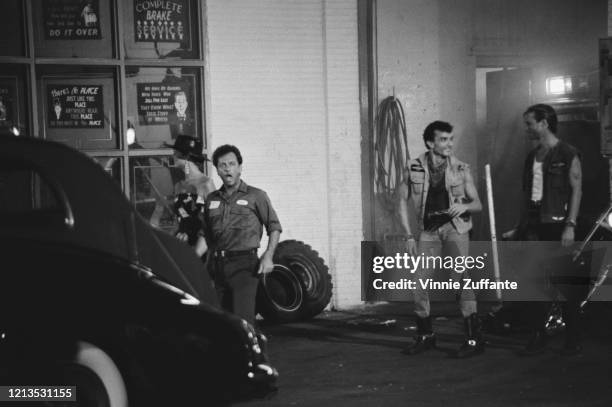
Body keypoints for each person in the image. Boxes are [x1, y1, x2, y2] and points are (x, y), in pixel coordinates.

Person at [398, 120, 484, 358]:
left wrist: (463, 204)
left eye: (451, 139)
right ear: (430, 142)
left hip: (455, 228)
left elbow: (477, 203)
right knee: (418, 281)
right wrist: (408, 235)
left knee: (460, 278)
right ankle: (426, 336)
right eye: (443, 139)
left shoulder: (461, 169)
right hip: (428, 231)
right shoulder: (413, 167)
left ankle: (474, 339)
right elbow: (400, 204)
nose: (449, 144)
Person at [506, 103, 583, 356]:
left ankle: (572, 341)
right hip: (534, 226)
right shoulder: (532, 157)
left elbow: (576, 192)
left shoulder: (568, 153)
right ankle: (537, 335)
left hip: (558, 225)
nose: (526, 128)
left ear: (543, 123)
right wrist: (519, 226)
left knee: (565, 284)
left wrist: (569, 226)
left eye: (529, 123)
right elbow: (527, 194)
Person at [202, 144, 282, 325]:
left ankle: (253, 353)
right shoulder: (211, 199)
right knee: (219, 323)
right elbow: (206, 236)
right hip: (217, 268)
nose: (227, 168)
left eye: (232, 164)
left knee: (242, 322)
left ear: (240, 167)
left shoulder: (256, 196)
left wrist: (268, 256)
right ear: (217, 170)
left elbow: (274, 227)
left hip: (244, 267)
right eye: (222, 165)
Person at [165, 135, 215, 257]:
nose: (173, 155)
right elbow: (178, 221)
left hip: (201, 250)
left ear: (186, 157)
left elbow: (214, 221)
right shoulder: (178, 186)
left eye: (175, 152)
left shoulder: (206, 184)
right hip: (181, 246)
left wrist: (197, 253)